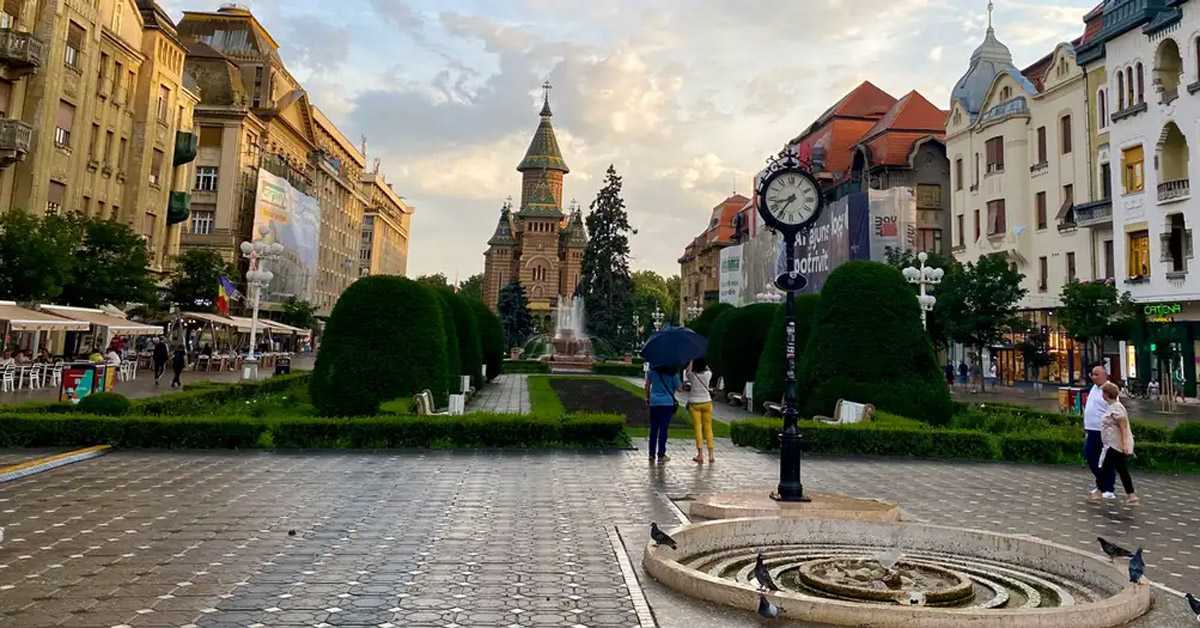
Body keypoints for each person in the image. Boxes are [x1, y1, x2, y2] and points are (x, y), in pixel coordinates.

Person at [1098, 381, 1138, 504]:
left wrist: (1125, 444)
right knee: (1121, 470)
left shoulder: (1116, 408)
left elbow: (1123, 427)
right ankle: (1131, 496)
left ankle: (1098, 491)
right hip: (1115, 444)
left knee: (1106, 468)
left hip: (1116, 445)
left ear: (1106, 394)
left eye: (1103, 393)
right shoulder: (1113, 407)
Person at [1083, 364, 1115, 499]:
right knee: (1090, 456)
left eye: (1096, 374)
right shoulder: (1094, 388)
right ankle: (1101, 484)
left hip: (1103, 431)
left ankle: (1108, 488)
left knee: (1104, 460)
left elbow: (1115, 409)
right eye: (1092, 374)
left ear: (1104, 375)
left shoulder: (1108, 389)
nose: (1093, 377)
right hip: (1092, 430)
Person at [644, 364, 682, 464]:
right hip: (667, 403)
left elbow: (647, 386)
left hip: (654, 402)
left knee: (653, 429)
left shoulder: (652, 372)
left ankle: (651, 454)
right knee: (663, 429)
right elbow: (680, 389)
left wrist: (647, 398)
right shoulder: (673, 373)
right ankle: (661, 455)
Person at [685, 358, 715, 464]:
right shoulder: (708, 374)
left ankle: (700, 455)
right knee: (708, 428)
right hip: (707, 402)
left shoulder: (692, 376)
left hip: (695, 404)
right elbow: (708, 368)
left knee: (698, 428)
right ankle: (711, 455)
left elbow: (687, 372)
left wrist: (691, 360)